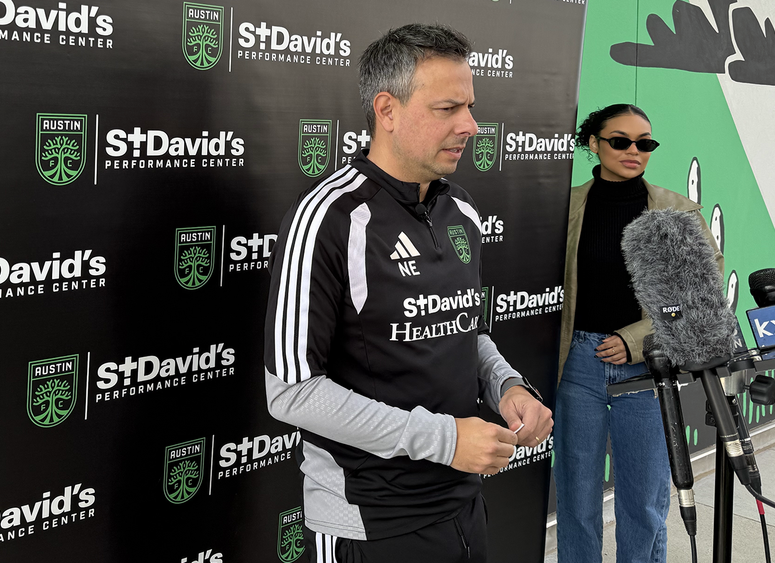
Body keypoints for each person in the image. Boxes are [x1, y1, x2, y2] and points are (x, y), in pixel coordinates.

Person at [263, 23, 552, 563]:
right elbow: (292, 392)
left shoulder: (461, 208)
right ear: (387, 110)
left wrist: (508, 387)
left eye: (470, 106)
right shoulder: (328, 217)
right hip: (371, 522)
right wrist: (444, 440)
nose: (470, 126)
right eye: (448, 109)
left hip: (464, 504)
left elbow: (466, 332)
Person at [553, 104, 722, 563]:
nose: (634, 150)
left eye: (645, 142)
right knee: (577, 498)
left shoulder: (676, 210)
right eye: (620, 141)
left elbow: (699, 297)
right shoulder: (565, 205)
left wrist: (637, 339)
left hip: (648, 369)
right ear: (593, 143)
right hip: (578, 364)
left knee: (644, 503)